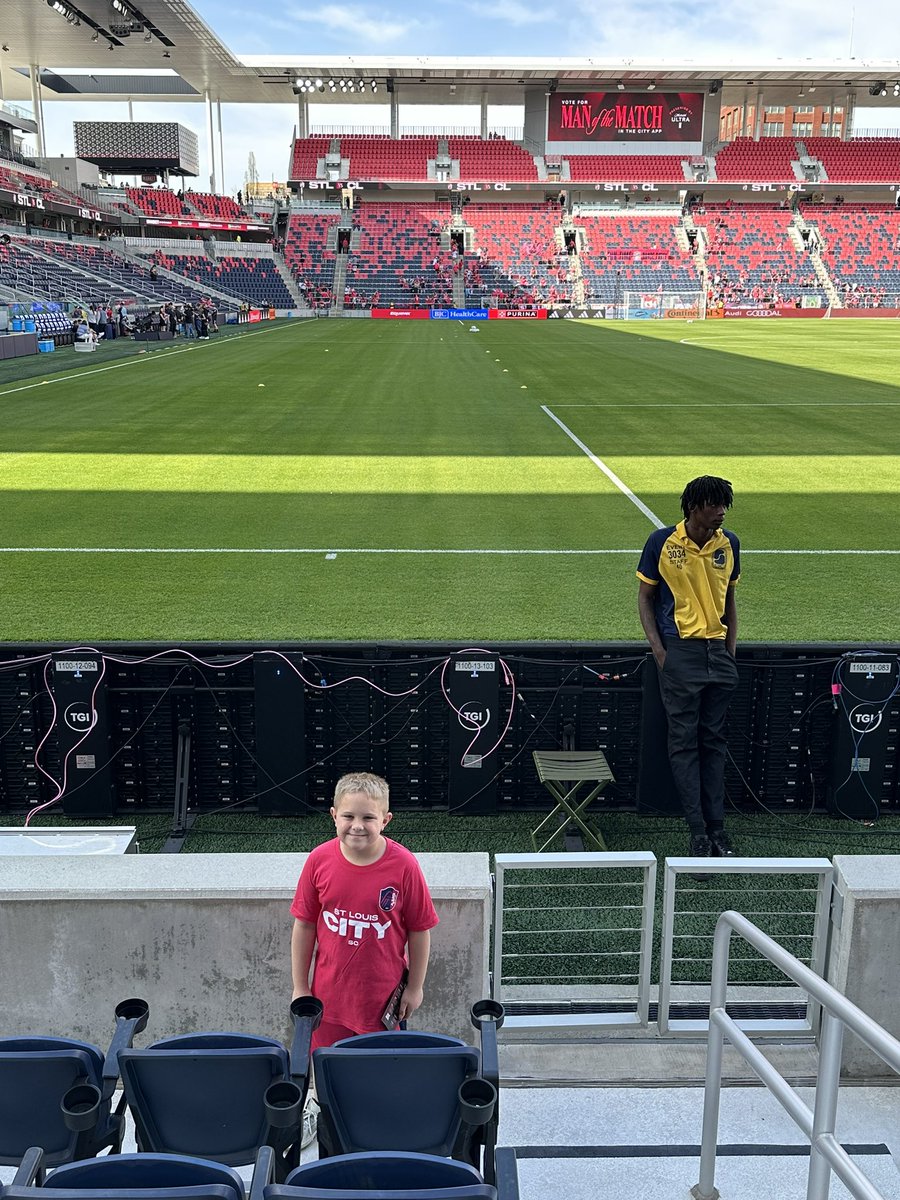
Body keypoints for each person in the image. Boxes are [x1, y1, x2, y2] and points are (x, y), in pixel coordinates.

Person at [290, 771, 438, 1145]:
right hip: (328, 1001)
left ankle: (379, 1132)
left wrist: (416, 987)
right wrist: (299, 987)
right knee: (327, 1074)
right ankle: (323, 1119)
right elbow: (305, 926)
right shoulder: (318, 861)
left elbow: (420, 930)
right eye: (349, 816)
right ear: (333, 816)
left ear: (385, 820)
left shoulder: (404, 866)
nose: (357, 826)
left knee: (382, 1073)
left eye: (368, 818)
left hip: (382, 1002)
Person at [636, 476, 740, 857]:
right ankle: (697, 832)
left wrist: (730, 648)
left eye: (724, 504)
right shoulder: (661, 542)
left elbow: (730, 598)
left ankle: (718, 830)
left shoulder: (730, 544)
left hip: (718, 655)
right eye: (715, 504)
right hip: (680, 654)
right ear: (694, 507)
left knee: (714, 743)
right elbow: (645, 599)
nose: (722, 511)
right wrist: (661, 654)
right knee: (684, 745)